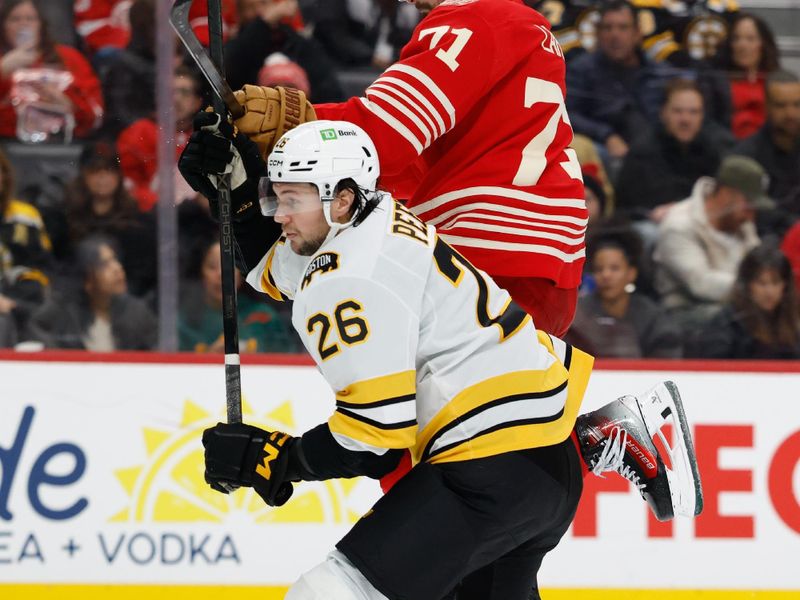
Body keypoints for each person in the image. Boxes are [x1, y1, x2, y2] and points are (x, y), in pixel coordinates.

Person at [180, 118, 703, 599]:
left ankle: (596, 438)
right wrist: (240, 198)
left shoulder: (345, 280)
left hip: (486, 476)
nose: (282, 214)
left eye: (292, 199)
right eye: (278, 198)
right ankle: (593, 440)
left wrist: (277, 459)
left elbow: (375, 437)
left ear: (341, 200)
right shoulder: (379, 217)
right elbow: (279, 268)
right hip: (542, 463)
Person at [229, 0, 589, 338]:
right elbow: (413, 165)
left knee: (391, 383)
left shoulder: (471, 22)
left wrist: (297, 125)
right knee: (505, 399)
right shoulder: (527, 27)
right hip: (546, 263)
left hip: (485, 260)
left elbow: (384, 136)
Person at [652, 155, 767, 332]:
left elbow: (758, 266)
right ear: (727, 194)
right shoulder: (679, 225)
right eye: (748, 205)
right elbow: (701, 284)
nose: (751, 215)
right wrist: (753, 289)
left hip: (740, 305)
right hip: (687, 312)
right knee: (738, 320)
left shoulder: (742, 223)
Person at [615, 78, 723, 239]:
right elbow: (639, 207)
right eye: (678, 111)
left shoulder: (711, 149)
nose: (686, 120)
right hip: (652, 226)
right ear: (663, 113)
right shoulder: (643, 151)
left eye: (694, 112)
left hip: (696, 221)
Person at [565, 0, 671, 164]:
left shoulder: (659, 72)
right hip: (604, 149)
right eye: (607, 28)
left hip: (655, 146)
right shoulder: (581, 70)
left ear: (637, 33)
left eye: (623, 28)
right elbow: (568, 114)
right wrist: (606, 135)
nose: (615, 35)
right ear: (598, 33)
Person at [566, 227, 682, 358]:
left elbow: (667, 360)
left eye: (614, 268)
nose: (606, 275)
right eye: (599, 269)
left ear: (631, 273)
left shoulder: (651, 316)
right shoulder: (576, 313)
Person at [61, 141, 156, 298]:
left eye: (109, 170)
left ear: (119, 175)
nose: (102, 177)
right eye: (95, 171)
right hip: (77, 299)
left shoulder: (138, 222)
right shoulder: (66, 218)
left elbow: (143, 275)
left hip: (127, 299)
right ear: (83, 175)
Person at [29, 234, 157, 350]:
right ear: (87, 280)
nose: (117, 268)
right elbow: (35, 329)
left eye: (115, 260)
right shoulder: (63, 308)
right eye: (105, 265)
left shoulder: (136, 312)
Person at [0, 0, 103, 141]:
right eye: (15, 19)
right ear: (3, 26)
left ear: (41, 25)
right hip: (7, 144)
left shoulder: (69, 58)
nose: (23, 24)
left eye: (31, 19)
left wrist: (69, 103)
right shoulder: (3, 62)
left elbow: (95, 115)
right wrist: (3, 70)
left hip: (62, 144)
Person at [179, 235, 296, 353]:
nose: (221, 274)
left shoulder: (264, 316)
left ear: (241, 272)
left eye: (230, 265)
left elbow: (287, 357)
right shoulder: (186, 320)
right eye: (212, 266)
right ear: (201, 273)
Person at [116, 65, 204, 211]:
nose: (176, 99)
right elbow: (128, 187)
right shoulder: (139, 133)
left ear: (196, 102)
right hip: (151, 220)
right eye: (170, 93)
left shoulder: (206, 136)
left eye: (185, 92)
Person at [223, 0, 345, 103]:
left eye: (263, 4)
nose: (259, 12)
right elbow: (230, 69)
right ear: (239, 14)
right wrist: (262, 24)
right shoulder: (236, 49)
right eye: (249, 7)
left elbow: (329, 92)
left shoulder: (296, 42)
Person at [691, 243, 800, 359]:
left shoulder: (793, 322)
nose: (769, 291)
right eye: (761, 283)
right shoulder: (728, 324)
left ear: (785, 285)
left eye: (776, 282)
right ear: (748, 285)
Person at [0, 146, 52, 341]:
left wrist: (12, 301)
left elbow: (42, 269)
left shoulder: (25, 217)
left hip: (18, 303)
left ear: (5, 177)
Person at [733, 70, 800, 210]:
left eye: (797, 105)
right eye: (781, 105)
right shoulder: (746, 157)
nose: (790, 114)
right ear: (767, 107)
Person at [713, 13, 780, 140]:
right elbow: (710, 124)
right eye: (736, 39)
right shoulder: (717, 81)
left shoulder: (776, 79)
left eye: (750, 39)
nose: (742, 45)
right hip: (730, 148)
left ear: (763, 44)